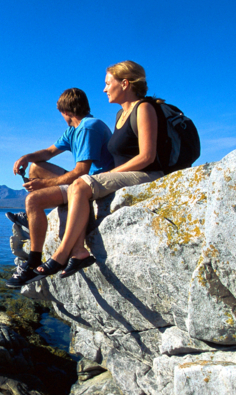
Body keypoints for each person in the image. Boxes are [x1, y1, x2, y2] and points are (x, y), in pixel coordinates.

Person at [27, 60, 165, 282]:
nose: (104, 89)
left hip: (148, 173)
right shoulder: (121, 115)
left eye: (108, 83)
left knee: (80, 183)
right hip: (124, 172)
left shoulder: (144, 108)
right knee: (77, 185)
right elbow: (50, 152)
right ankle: (79, 251)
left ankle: (61, 255)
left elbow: (147, 156)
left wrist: (108, 174)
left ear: (125, 83)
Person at [5, 88, 114, 288]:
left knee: (33, 200)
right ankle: (34, 219)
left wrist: (43, 185)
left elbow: (81, 171)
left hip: (94, 184)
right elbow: (48, 152)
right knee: (36, 166)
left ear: (65, 111)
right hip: (85, 180)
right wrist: (26, 157)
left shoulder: (88, 128)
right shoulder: (74, 128)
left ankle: (33, 260)